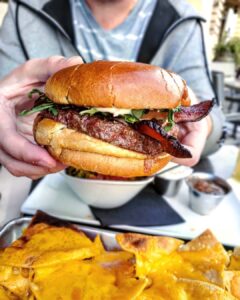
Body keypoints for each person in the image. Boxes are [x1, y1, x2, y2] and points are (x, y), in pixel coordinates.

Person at [0, 0, 224, 179]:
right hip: (34, 190)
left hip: (150, 198)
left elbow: (214, 117)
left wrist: (205, 125)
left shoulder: (183, 20)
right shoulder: (24, 10)